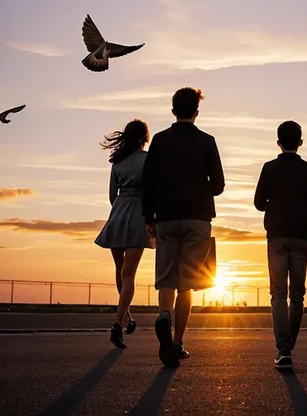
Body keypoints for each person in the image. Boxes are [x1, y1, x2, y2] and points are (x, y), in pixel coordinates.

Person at [141, 87, 225, 368]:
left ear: (173, 110)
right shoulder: (207, 141)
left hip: (165, 215)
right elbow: (219, 186)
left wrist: (148, 218)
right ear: (196, 113)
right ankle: (177, 342)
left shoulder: (161, 141)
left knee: (166, 277)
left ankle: (164, 315)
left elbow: (148, 182)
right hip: (197, 217)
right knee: (187, 283)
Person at [254, 120, 307, 372]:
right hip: (299, 237)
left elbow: (258, 203)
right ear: (300, 142)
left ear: (278, 142)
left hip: (275, 236)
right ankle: (288, 348)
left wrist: (273, 203)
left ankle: (283, 349)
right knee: (297, 296)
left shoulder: (269, 168)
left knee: (277, 295)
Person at [95, 119, 154, 349]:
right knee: (129, 274)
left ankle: (127, 317)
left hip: (118, 214)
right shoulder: (148, 159)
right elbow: (152, 190)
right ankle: (118, 322)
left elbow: (112, 195)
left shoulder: (116, 161)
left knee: (120, 271)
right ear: (144, 137)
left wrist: (120, 208)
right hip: (138, 215)